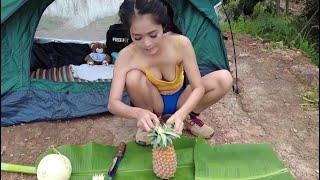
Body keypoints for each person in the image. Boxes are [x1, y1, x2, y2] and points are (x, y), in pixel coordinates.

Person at [108, 0, 233, 145]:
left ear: (163, 26)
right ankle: (150, 122)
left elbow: (198, 87)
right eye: (137, 37)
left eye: (153, 35)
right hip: (154, 103)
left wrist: (182, 114)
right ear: (129, 31)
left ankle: (189, 118)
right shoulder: (125, 56)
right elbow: (113, 103)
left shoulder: (181, 43)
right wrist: (139, 113)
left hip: (182, 100)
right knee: (133, 77)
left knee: (224, 78)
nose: (147, 43)